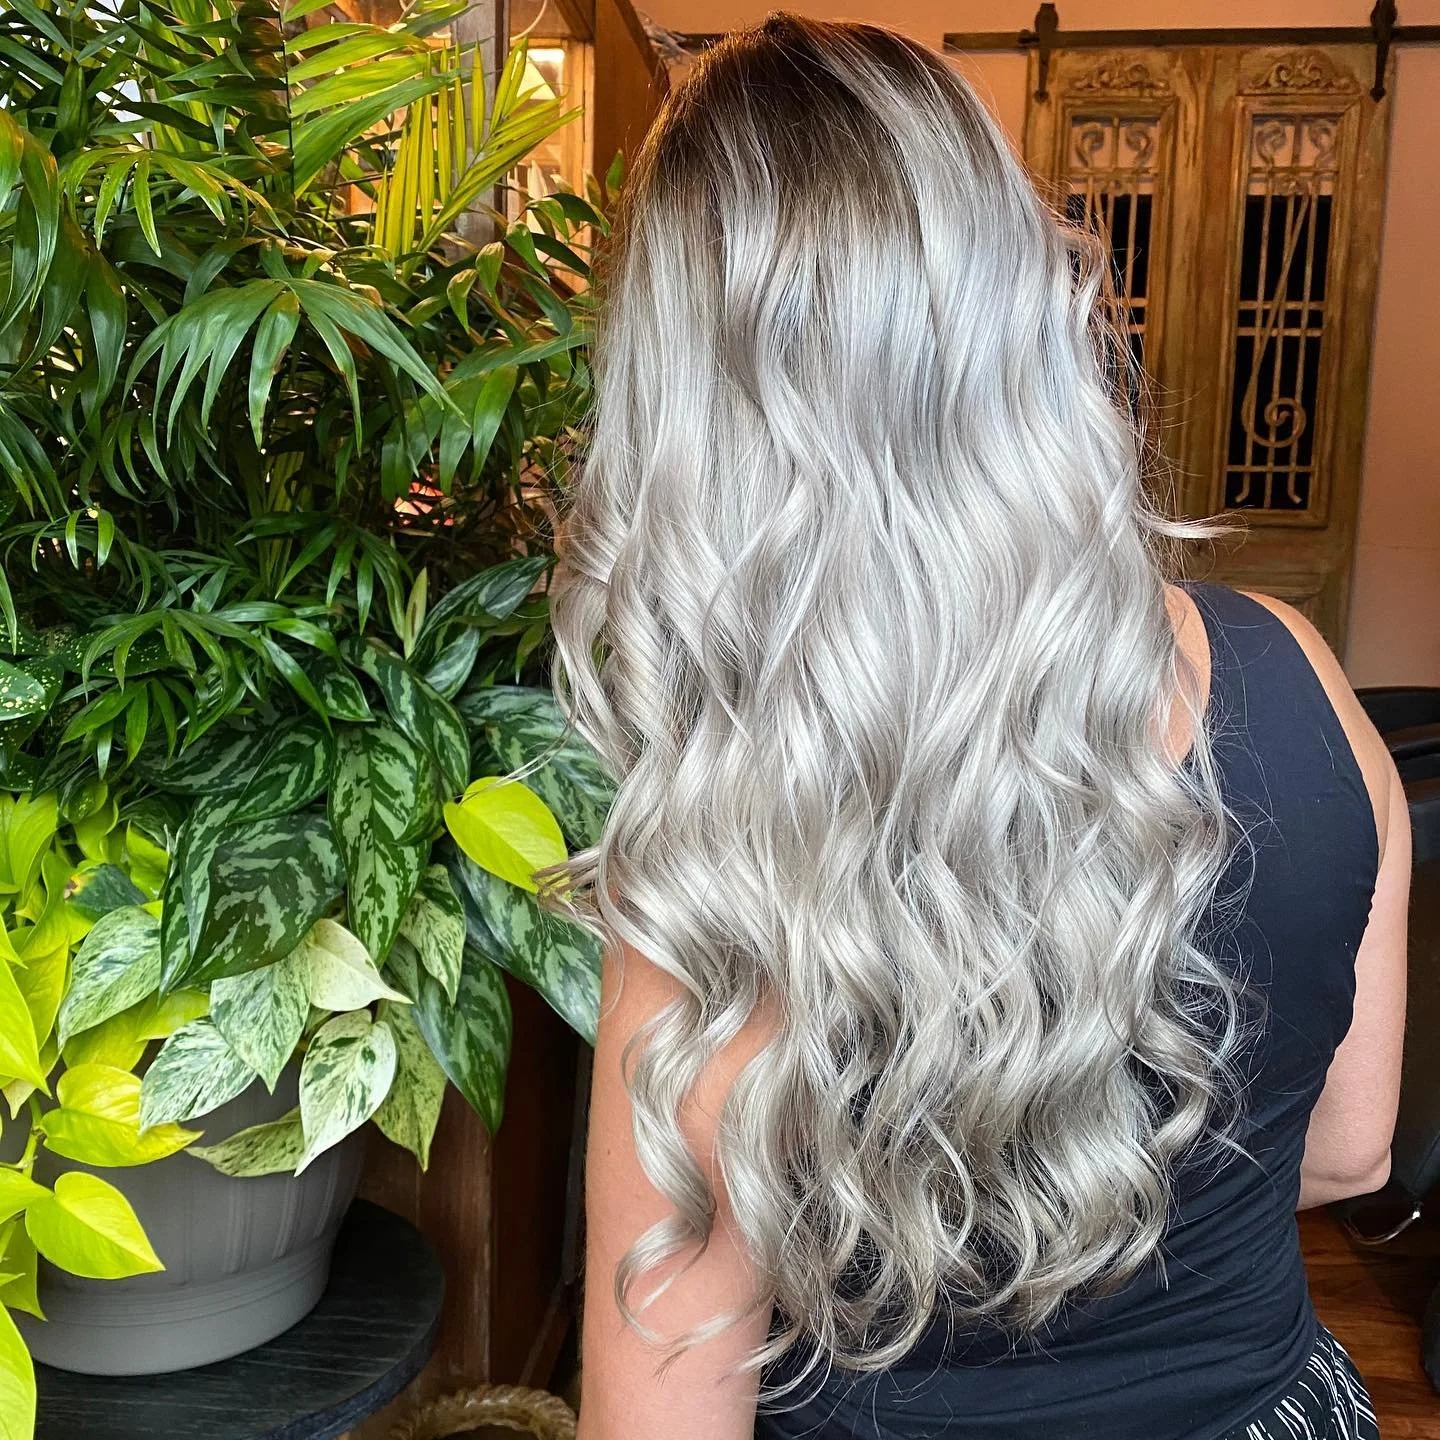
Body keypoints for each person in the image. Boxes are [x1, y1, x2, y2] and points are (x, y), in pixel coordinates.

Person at [542, 14, 1410, 1440]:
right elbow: (1350, 1149)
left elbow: (662, 1421)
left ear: (688, 412)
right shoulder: (1300, 671)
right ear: (1018, 299)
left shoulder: (717, 871)